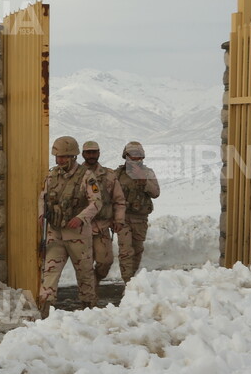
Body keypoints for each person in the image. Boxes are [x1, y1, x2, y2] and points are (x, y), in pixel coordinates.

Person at [37, 136, 102, 318]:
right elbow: (42, 196)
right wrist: (41, 214)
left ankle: (89, 311)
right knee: (50, 272)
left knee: (85, 275)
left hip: (78, 235)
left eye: (64, 157)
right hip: (55, 233)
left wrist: (81, 218)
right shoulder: (52, 175)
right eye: (58, 157)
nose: (60, 160)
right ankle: (45, 311)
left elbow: (97, 202)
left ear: (73, 157)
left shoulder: (87, 177)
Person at [80, 140, 128, 284]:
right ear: (83, 154)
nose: (91, 155)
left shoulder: (108, 175)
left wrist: (119, 220)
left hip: (101, 227)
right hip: (80, 227)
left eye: (94, 152)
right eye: (88, 152)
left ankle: (94, 281)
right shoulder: (76, 175)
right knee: (84, 265)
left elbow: (119, 199)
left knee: (105, 262)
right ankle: (89, 295)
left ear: (99, 153)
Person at [115, 141, 160, 281]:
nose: (135, 159)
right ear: (126, 156)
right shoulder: (117, 174)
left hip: (140, 219)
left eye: (138, 156)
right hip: (123, 218)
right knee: (125, 251)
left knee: (137, 251)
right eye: (132, 156)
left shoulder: (148, 173)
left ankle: (132, 280)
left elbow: (156, 193)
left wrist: (144, 180)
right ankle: (127, 282)